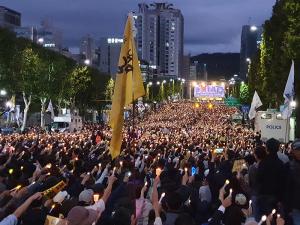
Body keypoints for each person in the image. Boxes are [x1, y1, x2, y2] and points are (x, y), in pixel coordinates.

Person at [256, 138, 287, 218]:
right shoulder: (280, 164)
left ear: (267, 148)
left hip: (263, 195)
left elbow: (258, 179)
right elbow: (283, 183)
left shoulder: (263, 163)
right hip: (276, 197)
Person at [286, 139, 300, 224]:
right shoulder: (288, 166)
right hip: (295, 204)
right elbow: (287, 187)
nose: (299, 152)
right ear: (293, 151)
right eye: (297, 150)